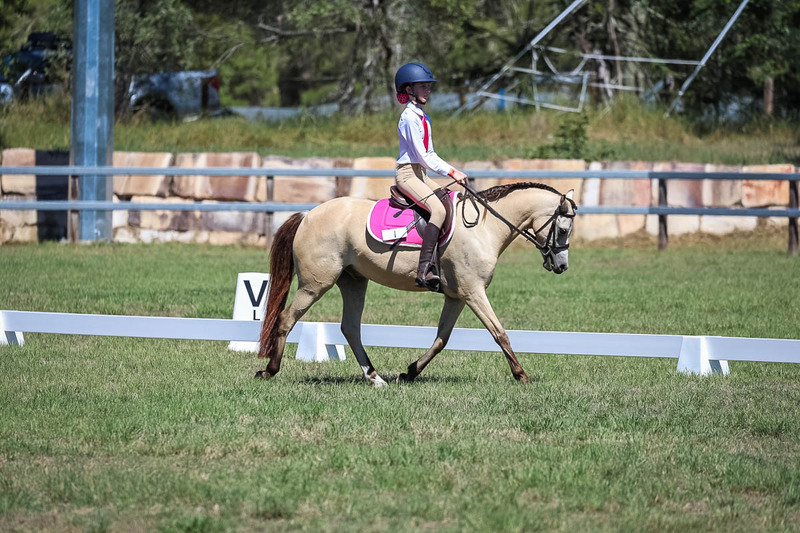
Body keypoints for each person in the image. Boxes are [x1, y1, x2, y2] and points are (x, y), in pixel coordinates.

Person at [394, 62, 467, 292]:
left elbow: (431, 153)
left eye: (428, 86)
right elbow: (422, 156)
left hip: (421, 174)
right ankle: (424, 268)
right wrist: (451, 171)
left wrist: (452, 170)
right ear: (409, 90)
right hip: (408, 175)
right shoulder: (409, 118)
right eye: (423, 86)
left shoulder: (423, 117)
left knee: (450, 200)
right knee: (438, 210)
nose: (428, 90)